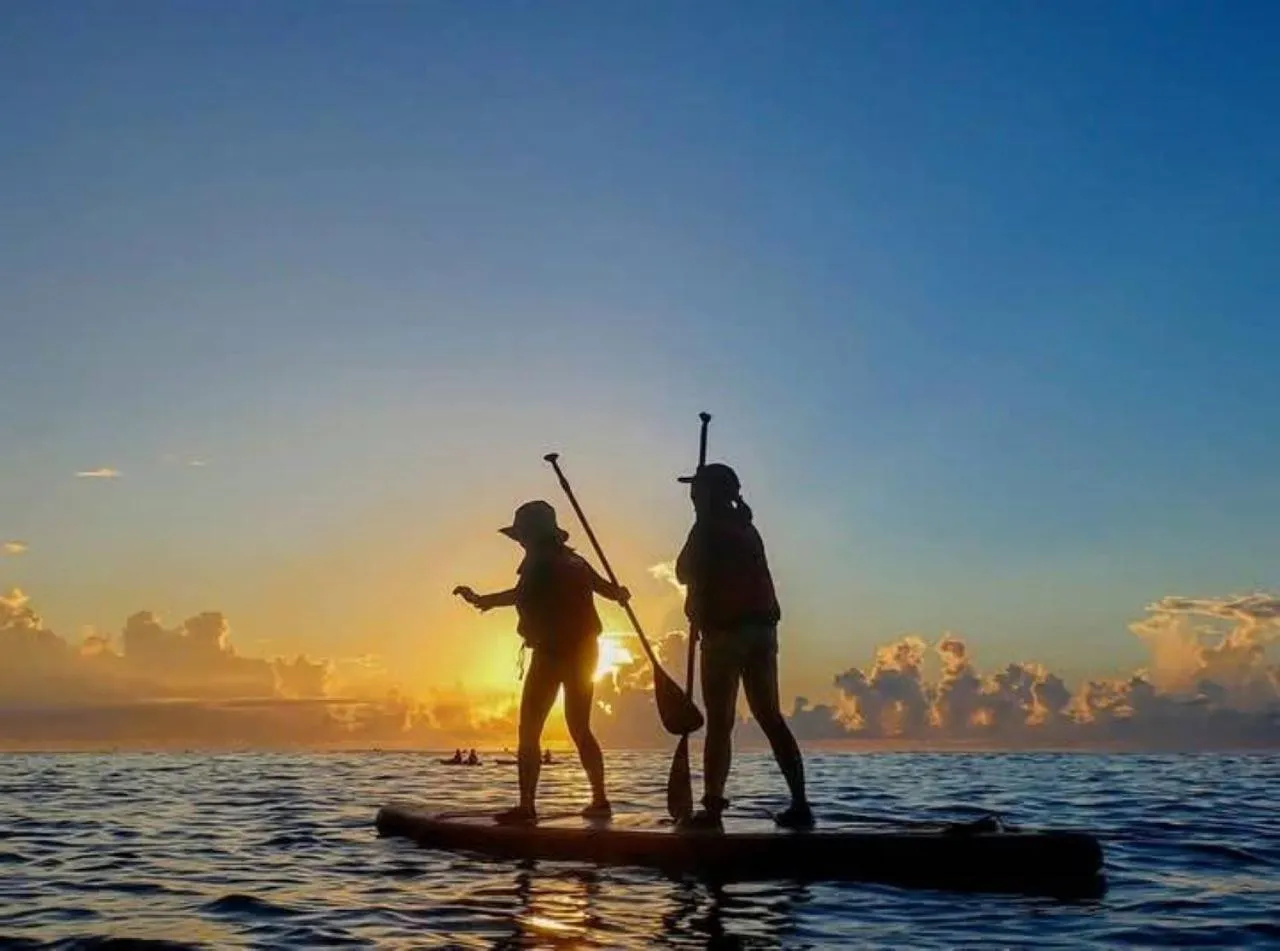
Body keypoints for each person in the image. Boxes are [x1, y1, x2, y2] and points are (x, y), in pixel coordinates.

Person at [454, 499, 630, 825]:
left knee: (529, 729)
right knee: (580, 728)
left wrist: (481, 600)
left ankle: (526, 807)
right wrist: (620, 593)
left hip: (553, 653)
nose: (519, 542)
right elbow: (607, 590)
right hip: (586, 651)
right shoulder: (577, 561)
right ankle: (600, 800)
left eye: (522, 535)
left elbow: (519, 595)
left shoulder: (538, 562)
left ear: (533, 535)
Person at [674, 463, 813, 830]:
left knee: (720, 722)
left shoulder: (707, 527)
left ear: (709, 494)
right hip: (763, 634)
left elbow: (683, 571)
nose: (691, 497)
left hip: (727, 635)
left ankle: (713, 810)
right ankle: (800, 803)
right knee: (770, 716)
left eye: (696, 491)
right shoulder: (746, 527)